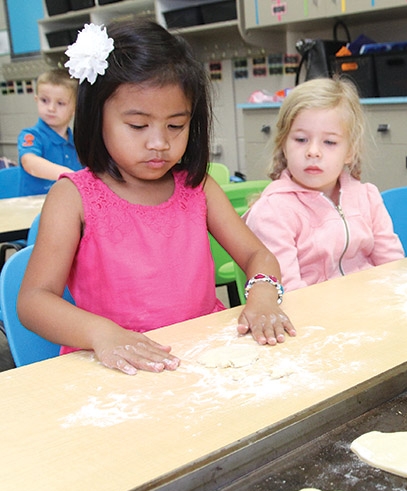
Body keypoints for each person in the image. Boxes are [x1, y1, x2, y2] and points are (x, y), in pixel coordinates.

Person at [17, 20, 295, 375]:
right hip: (115, 367)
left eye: (175, 125)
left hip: (201, 356)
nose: (159, 143)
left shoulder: (197, 187)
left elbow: (259, 255)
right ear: (95, 116)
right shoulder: (72, 197)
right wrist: (102, 333)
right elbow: (33, 301)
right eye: (137, 126)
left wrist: (262, 296)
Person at [244, 77, 404, 291]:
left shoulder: (367, 197)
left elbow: (392, 266)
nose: (313, 151)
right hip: (313, 316)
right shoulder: (272, 212)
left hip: (369, 306)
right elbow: (288, 292)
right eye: (301, 139)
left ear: (350, 152)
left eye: (329, 142)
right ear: (283, 144)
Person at [17, 68, 83, 196]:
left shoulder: (78, 143)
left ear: (75, 108)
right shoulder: (31, 135)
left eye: (60, 103)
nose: (51, 108)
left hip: (67, 207)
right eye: (44, 100)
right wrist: (69, 175)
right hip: (35, 207)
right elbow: (30, 162)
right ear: (36, 100)